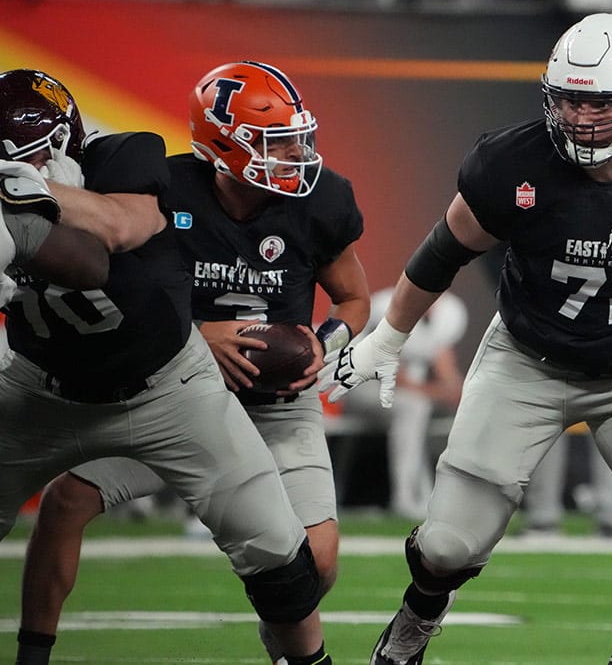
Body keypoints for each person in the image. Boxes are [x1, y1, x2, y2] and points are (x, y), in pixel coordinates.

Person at [320, 12, 612, 665]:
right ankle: (418, 615)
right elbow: (440, 254)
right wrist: (388, 337)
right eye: (570, 98)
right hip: (527, 359)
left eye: (601, 101)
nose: (581, 117)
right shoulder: (513, 162)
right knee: (446, 545)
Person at [15, 61, 370, 665]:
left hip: (276, 408)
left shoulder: (323, 199)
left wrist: (324, 343)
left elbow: (355, 299)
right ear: (222, 145)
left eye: (296, 137)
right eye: (275, 141)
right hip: (174, 390)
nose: (293, 154)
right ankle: (32, 653)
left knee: (318, 562)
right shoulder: (165, 188)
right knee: (66, 501)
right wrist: (200, 334)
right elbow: (126, 289)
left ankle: (283, 641)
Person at [330, 288, 466, 518]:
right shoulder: (386, 307)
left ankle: (427, 496)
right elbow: (393, 375)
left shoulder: (449, 312)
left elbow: (446, 369)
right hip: (360, 385)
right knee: (414, 406)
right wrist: (435, 392)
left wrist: (462, 393)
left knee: (419, 408)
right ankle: (404, 498)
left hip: (405, 392)